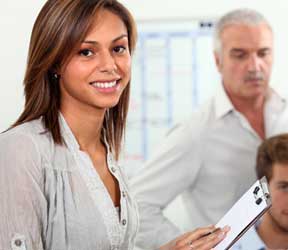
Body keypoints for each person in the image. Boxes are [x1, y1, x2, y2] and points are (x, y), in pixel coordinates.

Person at [0, 1, 226, 250]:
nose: (110, 65)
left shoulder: (108, 154)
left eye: (118, 48)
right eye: (86, 52)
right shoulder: (21, 150)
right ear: (54, 61)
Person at [131, 8, 288, 250]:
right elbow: (137, 206)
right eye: (240, 55)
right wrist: (194, 246)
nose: (255, 66)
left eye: (263, 53)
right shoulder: (196, 132)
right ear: (218, 61)